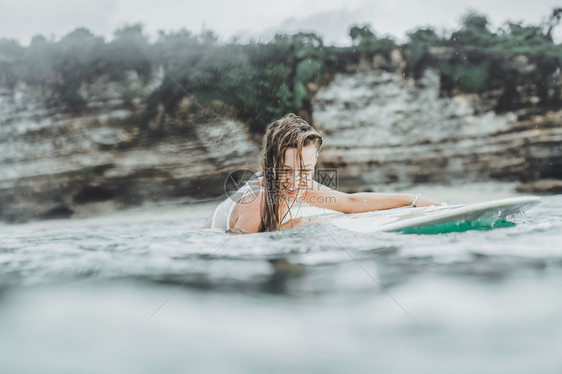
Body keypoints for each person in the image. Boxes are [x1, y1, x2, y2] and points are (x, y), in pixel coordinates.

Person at [202, 113, 438, 234]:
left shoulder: (295, 184)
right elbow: (238, 258)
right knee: (306, 222)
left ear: (315, 161)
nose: (295, 181)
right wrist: (292, 226)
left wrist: (413, 200)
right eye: (286, 170)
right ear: (271, 165)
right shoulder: (257, 203)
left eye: (305, 170)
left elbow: (350, 202)